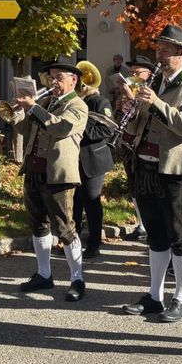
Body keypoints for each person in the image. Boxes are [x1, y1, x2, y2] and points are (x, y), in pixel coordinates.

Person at [121, 24, 182, 324]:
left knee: (177, 236)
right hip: (145, 165)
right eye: (158, 47)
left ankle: (181, 297)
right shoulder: (154, 81)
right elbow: (136, 127)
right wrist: (130, 110)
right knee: (155, 235)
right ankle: (155, 296)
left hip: (175, 169)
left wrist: (155, 104)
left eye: (167, 49)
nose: (160, 52)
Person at [12, 58, 89, 302]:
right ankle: (44, 275)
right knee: (38, 225)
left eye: (58, 78)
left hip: (58, 175)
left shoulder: (77, 105)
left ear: (73, 80)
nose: (53, 82)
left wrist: (34, 108)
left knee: (65, 228)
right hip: (34, 170)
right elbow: (26, 129)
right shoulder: (46, 102)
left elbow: (61, 128)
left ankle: (77, 279)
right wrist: (16, 112)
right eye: (51, 77)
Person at [73, 62, 114, 260]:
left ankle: (94, 243)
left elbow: (107, 130)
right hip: (75, 159)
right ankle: (74, 242)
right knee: (74, 203)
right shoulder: (75, 102)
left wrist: (82, 129)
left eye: (81, 83)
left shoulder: (101, 102)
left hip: (94, 159)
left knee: (91, 202)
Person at [117, 56, 157, 242]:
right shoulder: (129, 89)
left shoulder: (152, 91)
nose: (133, 75)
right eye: (131, 72)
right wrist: (120, 104)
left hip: (143, 145)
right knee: (134, 187)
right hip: (127, 142)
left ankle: (150, 227)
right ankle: (142, 225)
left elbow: (145, 114)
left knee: (146, 189)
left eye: (137, 72)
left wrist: (130, 97)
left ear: (148, 74)